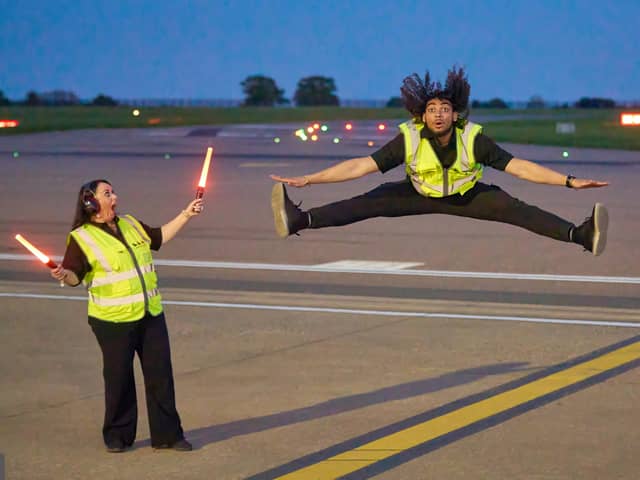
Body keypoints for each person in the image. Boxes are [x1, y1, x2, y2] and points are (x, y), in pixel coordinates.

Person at [270, 66, 609, 255]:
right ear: (423, 113)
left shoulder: (473, 138)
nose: (438, 114)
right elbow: (361, 165)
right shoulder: (410, 136)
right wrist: (310, 179)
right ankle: (298, 220)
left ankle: (581, 235)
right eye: (431, 109)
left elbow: (519, 166)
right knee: (363, 204)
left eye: (444, 109)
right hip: (416, 194)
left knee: (519, 212)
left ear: (454, 113)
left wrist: (568, 181)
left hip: (468, 197)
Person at [50, 179, 202, 453]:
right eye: (107, 193)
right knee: (119, 378)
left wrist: (185, 214)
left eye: (113, 192)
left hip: (149, 313)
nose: (115, 197)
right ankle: (117, 435)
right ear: (91, 202)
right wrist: (64, 275)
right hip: (112, 320)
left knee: (161, 376)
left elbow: (159, 237)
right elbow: (74, 277)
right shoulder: (81, 237)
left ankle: (168, 435)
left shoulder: (130, 223)